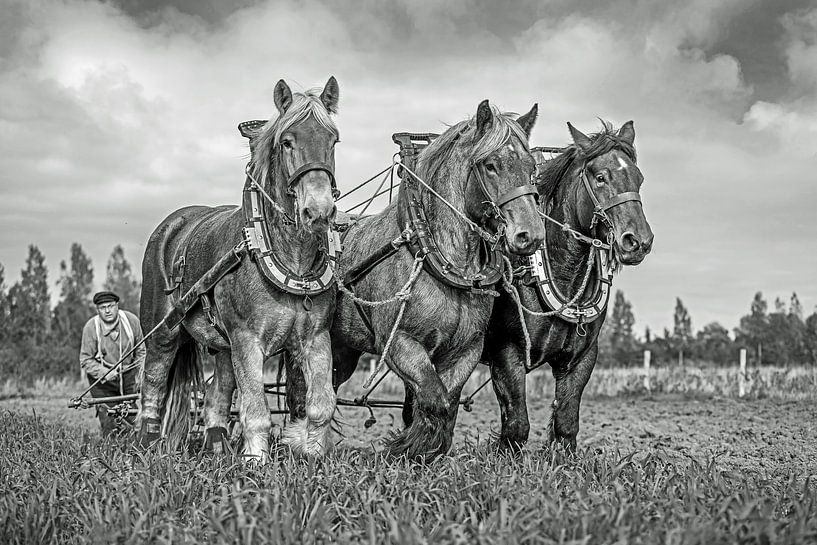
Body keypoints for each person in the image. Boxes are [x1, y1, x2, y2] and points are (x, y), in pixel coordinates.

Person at [79, 291, 146, 436]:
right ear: (97, 310)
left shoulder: (131, 321)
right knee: (109, 421)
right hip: (102, 383)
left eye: (110, 306)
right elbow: (85, 359)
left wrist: (139, 375)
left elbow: (141, 351)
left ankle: (134, 442)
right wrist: (104, 373)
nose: (107, 311)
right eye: (103, 308)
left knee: (133, 418)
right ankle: (111, 444)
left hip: (128, 376)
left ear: (117, 305)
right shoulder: (91, 327)